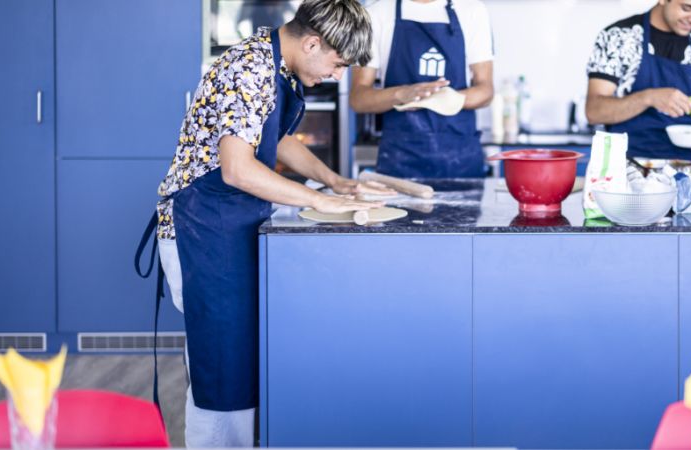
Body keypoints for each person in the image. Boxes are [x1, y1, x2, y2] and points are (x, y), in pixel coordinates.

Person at [150, 1, 392, 446]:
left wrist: (334, 181)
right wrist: (321, 201)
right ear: (312, 43)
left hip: (229, 227)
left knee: (242, 362)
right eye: (338, 64)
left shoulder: (275, 64)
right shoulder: (249, 68)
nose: (337, 75)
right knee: (222, 369)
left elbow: (275, 138)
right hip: (202, 229)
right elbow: (236, 169)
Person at [350, 0, 495, 178]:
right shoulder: (374, 15)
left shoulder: (472, 10)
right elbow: (358, 98)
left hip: (460, 158)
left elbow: (486, 91)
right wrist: (402, 94)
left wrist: (443, 99)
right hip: (400, 160)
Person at [585, 0, 691, 164]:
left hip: (684, 168)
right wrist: (648, 98)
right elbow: (594, 111)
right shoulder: (618, 37)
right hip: (625, 166)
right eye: (687, 8)